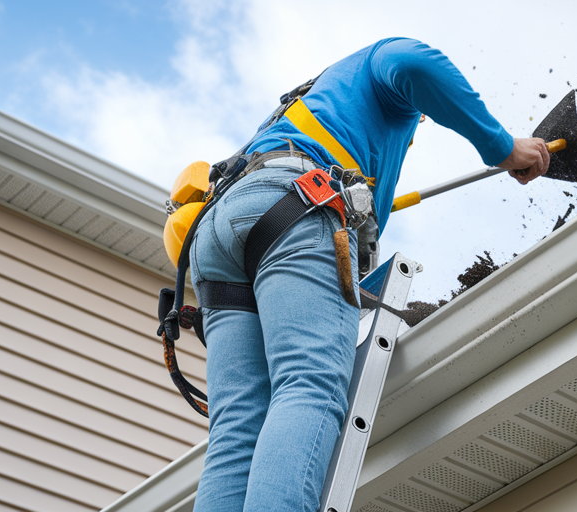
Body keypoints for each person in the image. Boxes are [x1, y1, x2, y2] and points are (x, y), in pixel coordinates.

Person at [188, 37, 550, 512]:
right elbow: (413, 63)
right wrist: (502, 147)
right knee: (308, 382)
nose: (420, 117)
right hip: (297, 204)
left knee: (237, 426)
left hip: (217, 234)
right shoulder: (377, 61)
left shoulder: (309, 106)